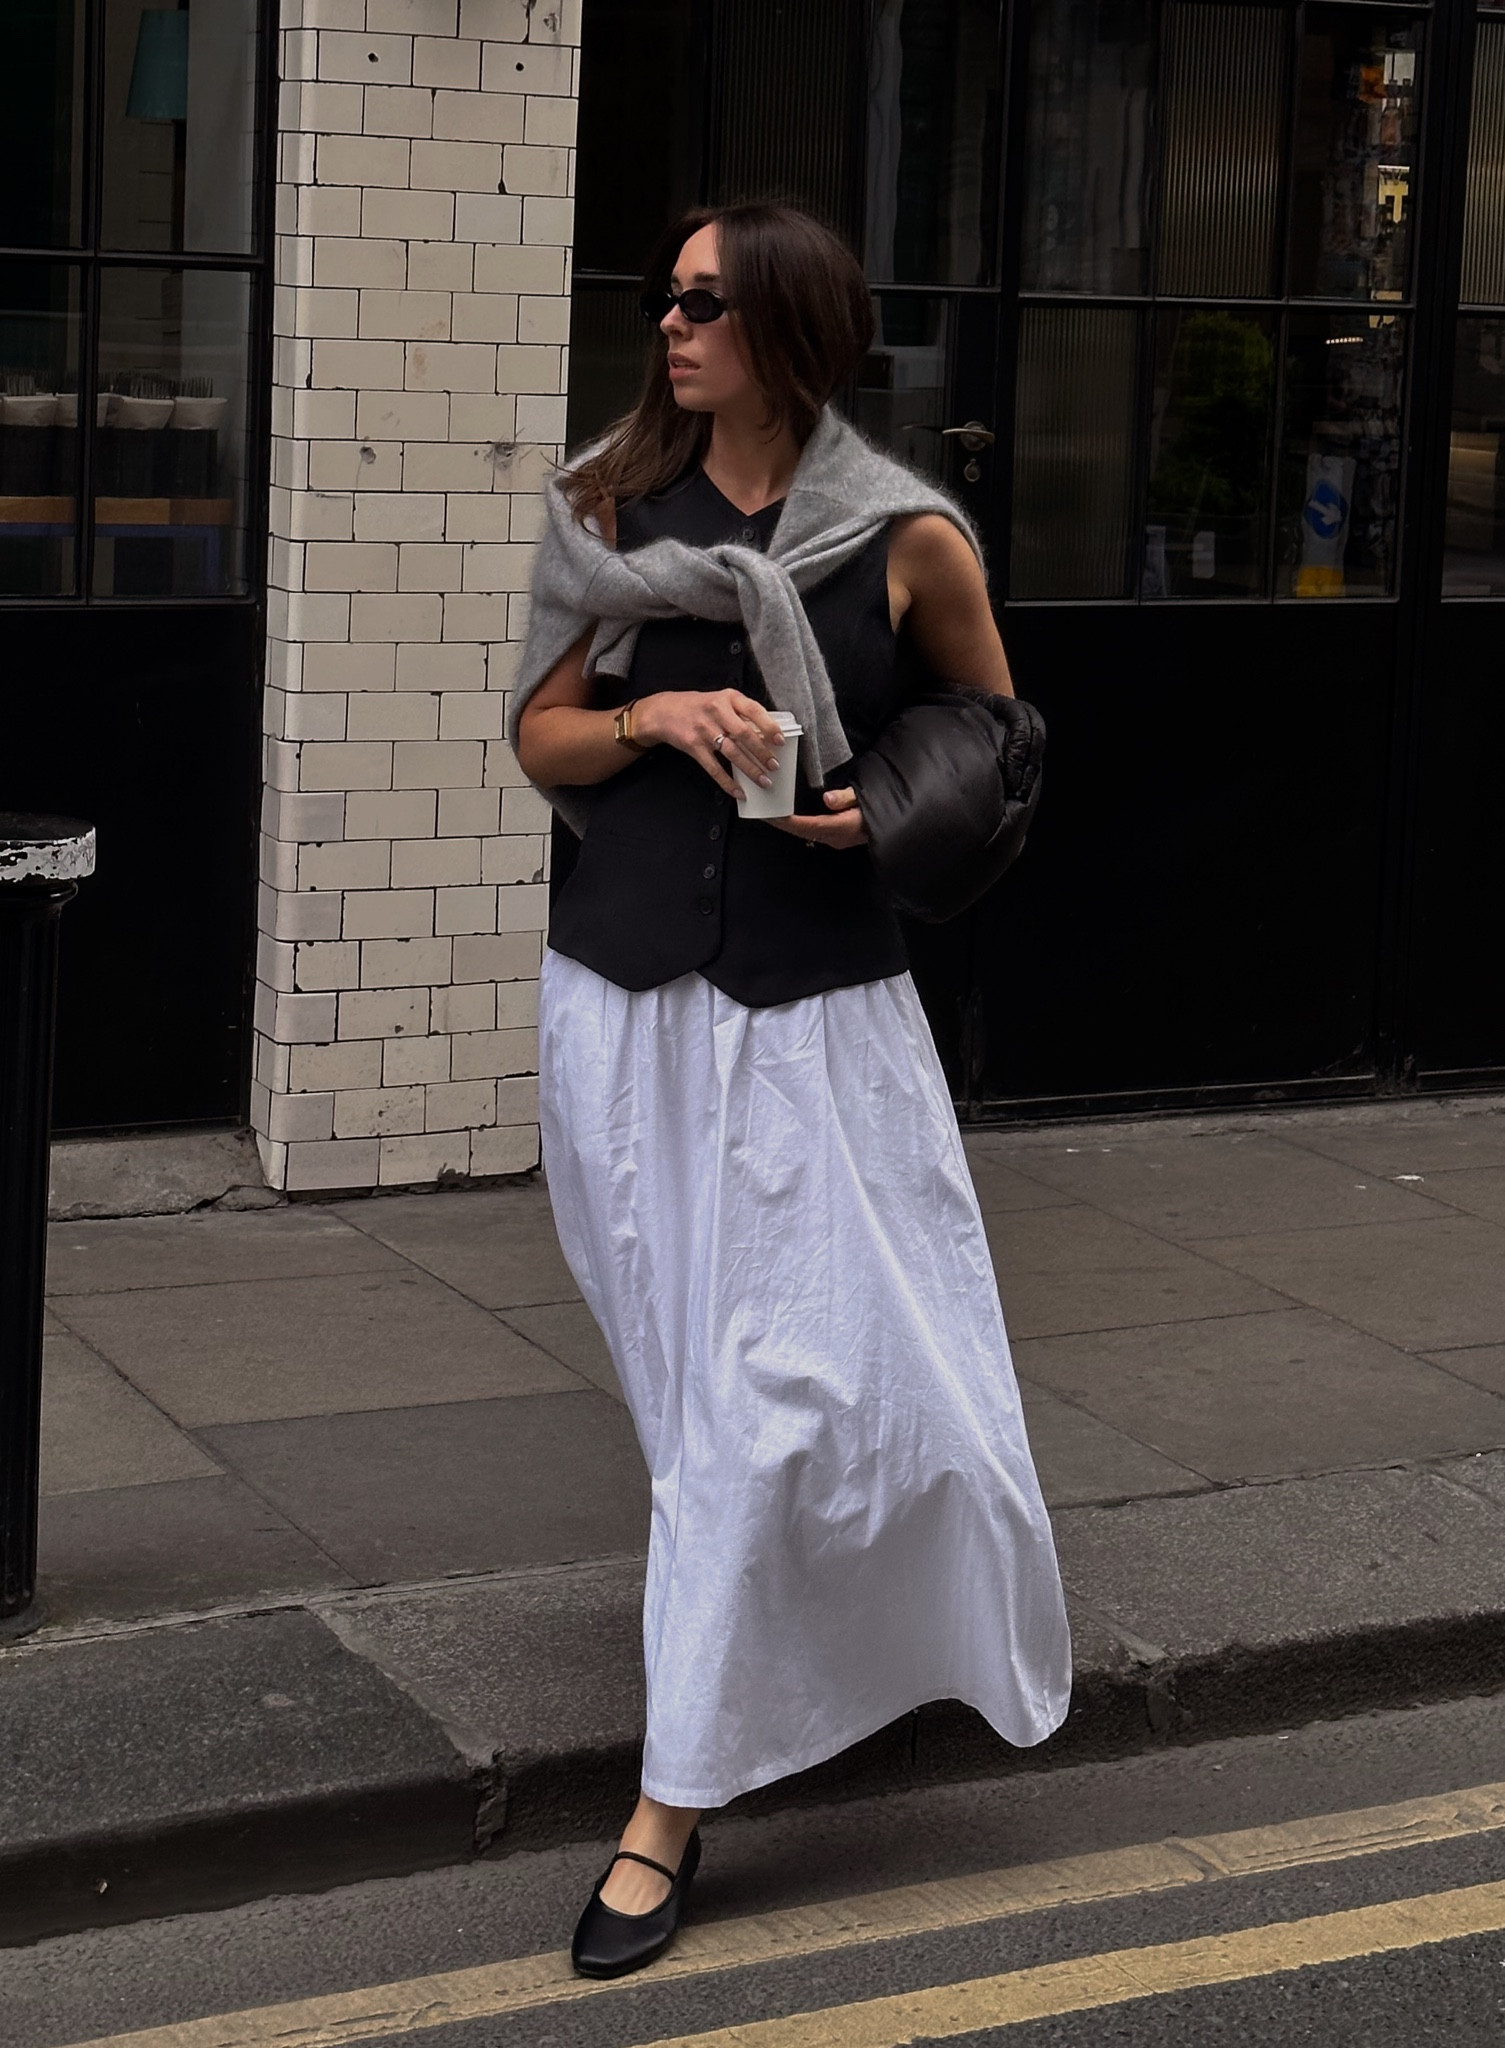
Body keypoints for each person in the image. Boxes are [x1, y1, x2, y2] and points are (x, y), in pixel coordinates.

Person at [511, 201, 1070, 1981]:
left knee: (792, 1405)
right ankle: (756, 1676)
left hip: (816, 1022)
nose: (670, 327)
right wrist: (656, 725)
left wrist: (871, 812)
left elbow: (992, 742)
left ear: (791, 330)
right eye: (666, 299)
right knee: (702, 1406)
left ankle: (667, 1809)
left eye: (706, 303)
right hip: (624, 1016)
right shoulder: (611, 508)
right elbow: (536, 733)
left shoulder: (903, 537)